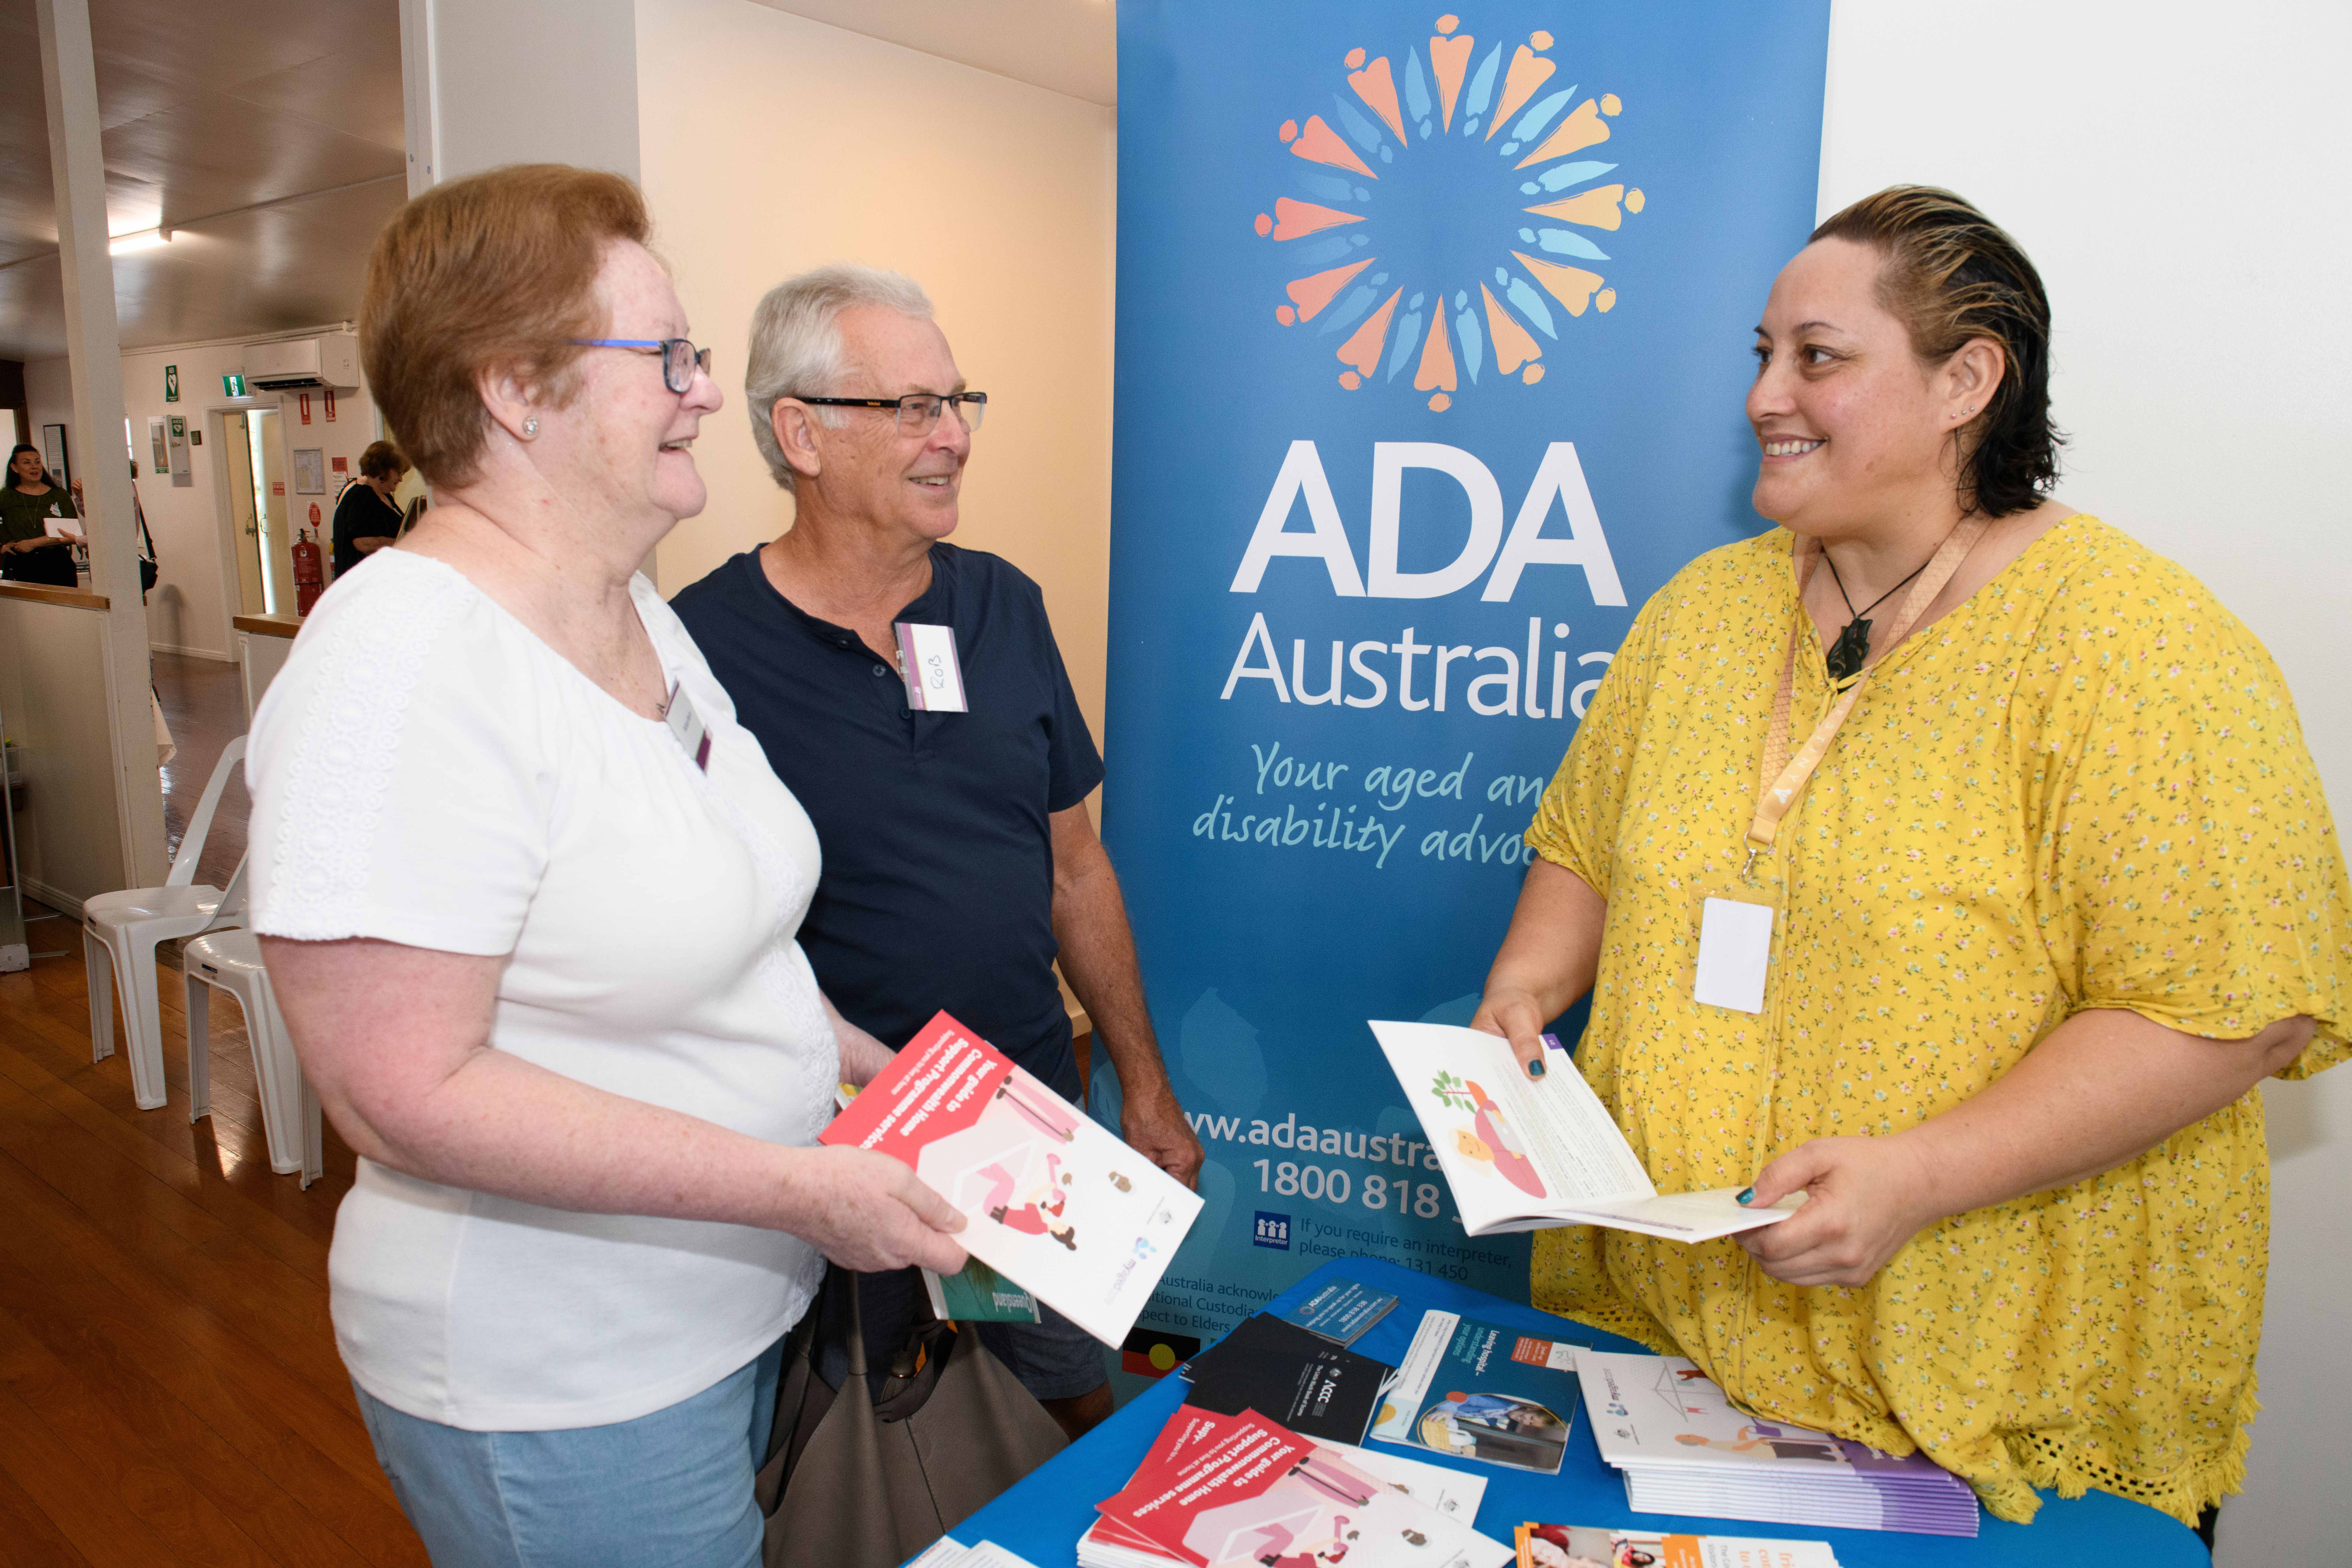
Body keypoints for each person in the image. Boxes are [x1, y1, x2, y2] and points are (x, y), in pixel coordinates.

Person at [1470, 186, 2348, 1532]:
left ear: (1964, 383)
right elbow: (1588, 842)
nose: (1765, 394)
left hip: (1989, 1410)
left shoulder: (2136, 649)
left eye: (1815, 357)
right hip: (1672, 1363)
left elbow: (2229, 1006)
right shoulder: (1700, 614)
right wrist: (1529, 980)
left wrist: (1919, 1177)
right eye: (1758, 354)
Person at [247, 165, 967, 1568]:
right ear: (518, 389)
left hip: (724, 1319)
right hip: (563, 1378)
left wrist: (864, 1063)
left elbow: (724, 904)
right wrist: (803, 1188)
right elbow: (400, 1092)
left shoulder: (628, 600)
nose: (705, 393)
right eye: (671, 358)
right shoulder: (398, 668)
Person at [670, 264, 1203, 1439]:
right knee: (852, 1462)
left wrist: (1146, 1088)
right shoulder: (698, 653)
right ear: (800, 433)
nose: (952, 436)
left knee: (1067, 1423)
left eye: (958, 401)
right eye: (912, 406)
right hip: (827, 1150)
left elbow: (1077, 867)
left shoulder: (1002, 605)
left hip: (1027, 1128)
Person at [0, 444, 83, 586]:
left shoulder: (59, 495)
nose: (34, 467)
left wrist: (33, 543)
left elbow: (71, 534)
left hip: (57, 564)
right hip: (21, 565)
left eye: (37, 462)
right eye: (27, 463)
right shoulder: (6, 496)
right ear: (15, 468)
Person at [331, 439, 410, 577]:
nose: (401, 479)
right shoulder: (361, 496)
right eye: (399, 473)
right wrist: (405, 542)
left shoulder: (381, 495)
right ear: (383, 471)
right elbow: (364, 543)